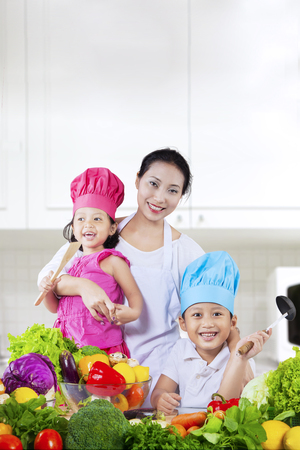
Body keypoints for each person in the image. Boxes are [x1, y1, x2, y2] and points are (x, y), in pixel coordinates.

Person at [38, 148, 211, 405]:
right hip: (94, 372)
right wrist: (83, 286)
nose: (160, 197)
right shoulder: (99, 229)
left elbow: (209, 313)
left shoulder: (186, 252)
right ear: (138, 180)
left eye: (173, 190)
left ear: (181, 196)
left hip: (154, 380)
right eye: (153, 184)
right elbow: (50, 277)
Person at [150, 251, 271, 414]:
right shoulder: (181, 350)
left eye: (217, 314)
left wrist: (239, 358)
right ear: (183, 323)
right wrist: (160, 399)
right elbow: (159, 391)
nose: (207, 323)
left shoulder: (242, 358)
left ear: (232, 322)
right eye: (197, 315)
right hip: (185, 430)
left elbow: (224, 406)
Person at [39, 167, 143, 354]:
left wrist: (133, 312)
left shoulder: (113, 261)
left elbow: (134, 295)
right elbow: (55, 308)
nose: (88, 224)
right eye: (81, 219)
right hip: (69, 350)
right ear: (73, 226)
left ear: (112, 228)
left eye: (97, 219)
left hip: (104, 350)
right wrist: (47, 291)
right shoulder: (69, 264)